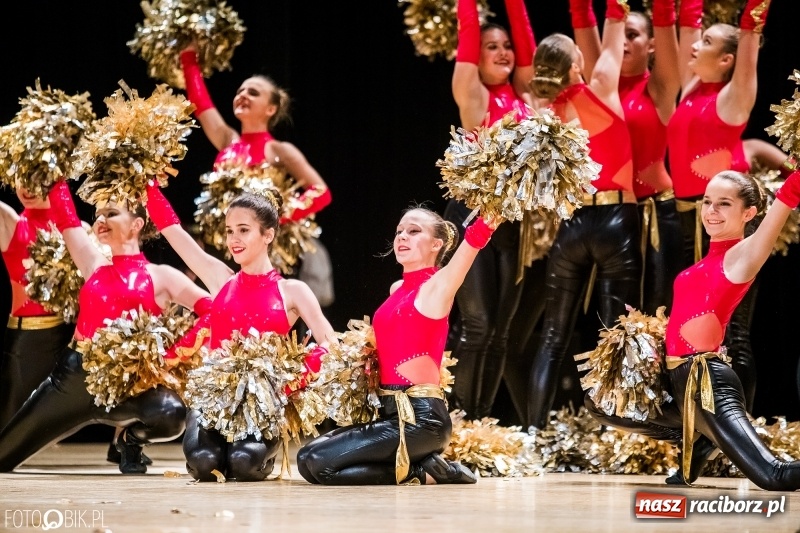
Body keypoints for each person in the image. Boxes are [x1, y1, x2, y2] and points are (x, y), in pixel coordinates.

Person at [588, 169, 800, 491]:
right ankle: (702, 438)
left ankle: (707, 434)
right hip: (677, 384)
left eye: (724, 204)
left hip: (708, 386)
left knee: (775, 476)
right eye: (707, 201)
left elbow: (785, 200)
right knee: (601, 402)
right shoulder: (704, 262)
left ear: (749, 213)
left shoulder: (743, 256)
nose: (711, 211)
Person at [0, 181, 212, 474]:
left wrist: (171, 357)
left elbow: (213, 310)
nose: (100, 221)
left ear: (136, 224)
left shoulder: (162, 277)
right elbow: (67, 216)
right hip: (73, 382)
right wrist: (52, 169)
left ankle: (130, 439)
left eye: (111, 213)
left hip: (129, 389)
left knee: (170, 414)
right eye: (98, 214)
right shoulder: (92, 262)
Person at [145, 182, 335, 482]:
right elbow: (173, 230)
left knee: (244, 463)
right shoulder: (220, 277)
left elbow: (329, 342)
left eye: (244, 230)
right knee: (205, 464)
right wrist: (146, 182)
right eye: (230, 230)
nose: (234, 238)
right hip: (212, 401)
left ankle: (256, 458)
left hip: (262, 406)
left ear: (268, 234)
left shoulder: (291, 290)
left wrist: (289, 383)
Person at [296, 207, 490, 485]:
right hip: (389, 414)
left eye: (413, 231)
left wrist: (490, 219)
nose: (402, 237)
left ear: (437, 244)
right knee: (306, 458)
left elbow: (471, 246)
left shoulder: (437, 288)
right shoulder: (397, 289)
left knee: (320, 465)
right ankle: (423, 464)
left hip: (422, 421)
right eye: (399, 231)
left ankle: (425, 473)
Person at [525, 1, 641, 430]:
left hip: (571, 225)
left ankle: (534, 431)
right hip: (616, 218)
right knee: (615, 334)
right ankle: (616, 430)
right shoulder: (603, 85)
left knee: (553, 337)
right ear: (576, 63)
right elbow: (614, 22)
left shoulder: (546, 114)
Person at [666, 0, 773, 413]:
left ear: (727, 59)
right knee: (687, 329)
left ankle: (739, 424)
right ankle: (697, 425)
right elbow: (688, 20)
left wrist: (753, 16)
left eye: (706, 42)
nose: (694, 46)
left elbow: (750, 39)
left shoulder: (735, 96)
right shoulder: (691, 88)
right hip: (685, 216)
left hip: (725, 224)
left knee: (735, 332)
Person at [446, 0, 542, 420]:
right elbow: (467, 33)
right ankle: (459, 421)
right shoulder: (474, 94)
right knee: (477, 326)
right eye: (491, 47)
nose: (504, 52)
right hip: (471, 216)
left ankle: (481, 423)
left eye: (507, 46)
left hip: (514, 225)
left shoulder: (525, 96)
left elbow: (527, 42)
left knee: (501, 334)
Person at [568, 0, 683, 315]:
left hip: (655, 214)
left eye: (633, 35)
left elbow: (664, 17)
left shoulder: (659, 87)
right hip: (608, 216)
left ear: (652, 45)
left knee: (655, 312)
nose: (624, 41)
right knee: (611, 321)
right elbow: (581, 15)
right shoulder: (601, 85)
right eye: (622, 34)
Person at [179, 44, 331, 225]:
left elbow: (321, 192)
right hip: (225, 239)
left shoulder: (278, 150)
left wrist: (275, 218)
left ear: (271, 109)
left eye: (253, 93)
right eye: (240, 91)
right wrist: (188, 56)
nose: (243, 95)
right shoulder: (227, 140)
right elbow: (200, 103)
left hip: (263, 244)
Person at [0, 182, 75, 431]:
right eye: (21, 177)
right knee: (8, 428)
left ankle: (125, 442)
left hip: (69, 337)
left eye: (36, 177)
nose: (27, 187)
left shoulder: (78, 231)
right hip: (27, 339)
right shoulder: (11, 223)